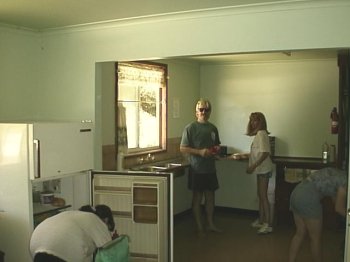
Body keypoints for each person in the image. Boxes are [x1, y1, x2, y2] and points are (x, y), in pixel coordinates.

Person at [180, 98, 221, 236]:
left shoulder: (213, 128)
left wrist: (215, 151)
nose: (203, 112)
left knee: (210, 197)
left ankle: (210, 224)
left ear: (209, 112)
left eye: (206, 109)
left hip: (210, 169)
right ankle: (199, 227)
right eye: (201, 109)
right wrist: (199, 152)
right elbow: (183, 148)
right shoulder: (190, 128)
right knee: (197, 197)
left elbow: (216, 146)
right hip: (196, 169)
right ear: (196, 112)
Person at [288, 167, 347, 262]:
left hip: (297, 192)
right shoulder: (346, 182)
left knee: (300, 233)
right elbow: (339, 208)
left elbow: (335, 200)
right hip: (308, 197)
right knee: (315, 238)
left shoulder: (339, 175)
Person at [232, 112, 273, 234]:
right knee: (260, 195)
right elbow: (257, 152)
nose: (253, 122)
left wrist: (252, 166)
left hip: (264, 169)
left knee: (263, 196)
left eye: (256, 120)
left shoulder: (261, 134)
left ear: (261, 122)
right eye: (252, 120)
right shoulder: (259, 135)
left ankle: (268, 224)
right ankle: (261, 220)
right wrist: (243, 155)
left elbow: (265, 153)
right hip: (261, 169)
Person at [30, 204, 116, 262]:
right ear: (105, 220)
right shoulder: (96, 220)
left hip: (36, 245)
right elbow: (109, 252)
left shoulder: (73, 215)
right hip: (62, 253)